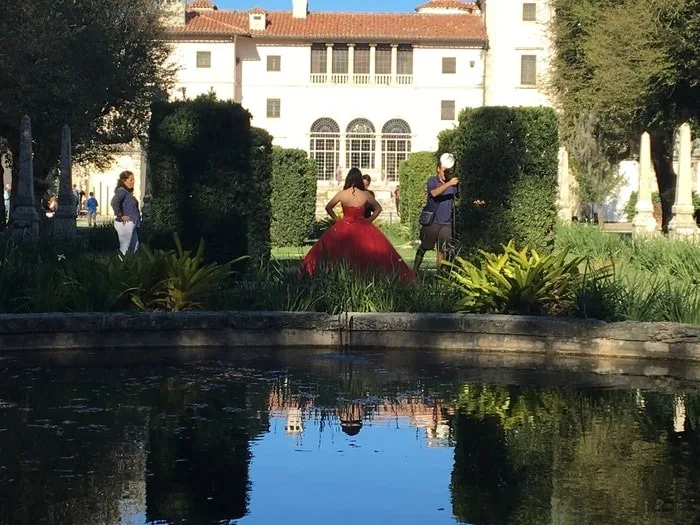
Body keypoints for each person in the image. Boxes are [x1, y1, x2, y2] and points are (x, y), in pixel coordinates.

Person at [300, 168, 413, 282]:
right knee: (369, 251)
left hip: (344, 225)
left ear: (348, 179)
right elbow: (378, 208)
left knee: (334, 251)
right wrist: (369, 220)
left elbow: (328, 207)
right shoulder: (365, 195)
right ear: (359, 180)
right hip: (362, 225)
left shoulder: (342, 194)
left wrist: (337, 220)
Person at [413, 158, 459, 272]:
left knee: (442, 250)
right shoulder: (432, 181)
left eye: (447, 171)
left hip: (446, 222)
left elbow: (459, 196)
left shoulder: (454, 184)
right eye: (443, 171)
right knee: (424, 247)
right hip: (432, 221)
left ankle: (439, 275)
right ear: (438, 169)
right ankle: (414, 271)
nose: (445, 173)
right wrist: (449, 184)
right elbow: (434, 193)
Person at [111, 170, 140, 255]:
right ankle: (121, 266)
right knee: (125, 248)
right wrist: (121, 215)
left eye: (133, 180)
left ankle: (129, 266)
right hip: (126, 223)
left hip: (132, 223)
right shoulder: (122, 191)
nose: (133, 182)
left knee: (134, 247)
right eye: (130, 180)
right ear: (124, 181)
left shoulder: (127, 192)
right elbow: (114, 203)